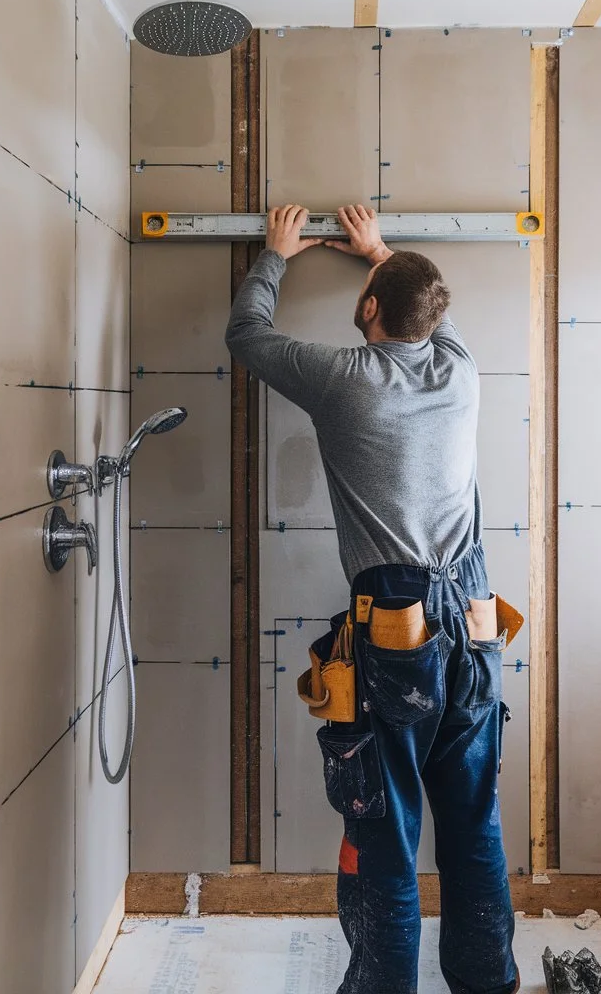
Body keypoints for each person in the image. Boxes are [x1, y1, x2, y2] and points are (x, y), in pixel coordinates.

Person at [226, 204, 518, 994]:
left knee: (384, 831)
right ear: (434, 317)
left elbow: (246, 338)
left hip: (398, 630)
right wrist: (382, 252)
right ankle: (488, 984)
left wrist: (277, 256)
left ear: (366, 311)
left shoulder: (344, 379)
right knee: (472, 824)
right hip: (476, 622)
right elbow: (424, 306)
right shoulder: (461, 367)